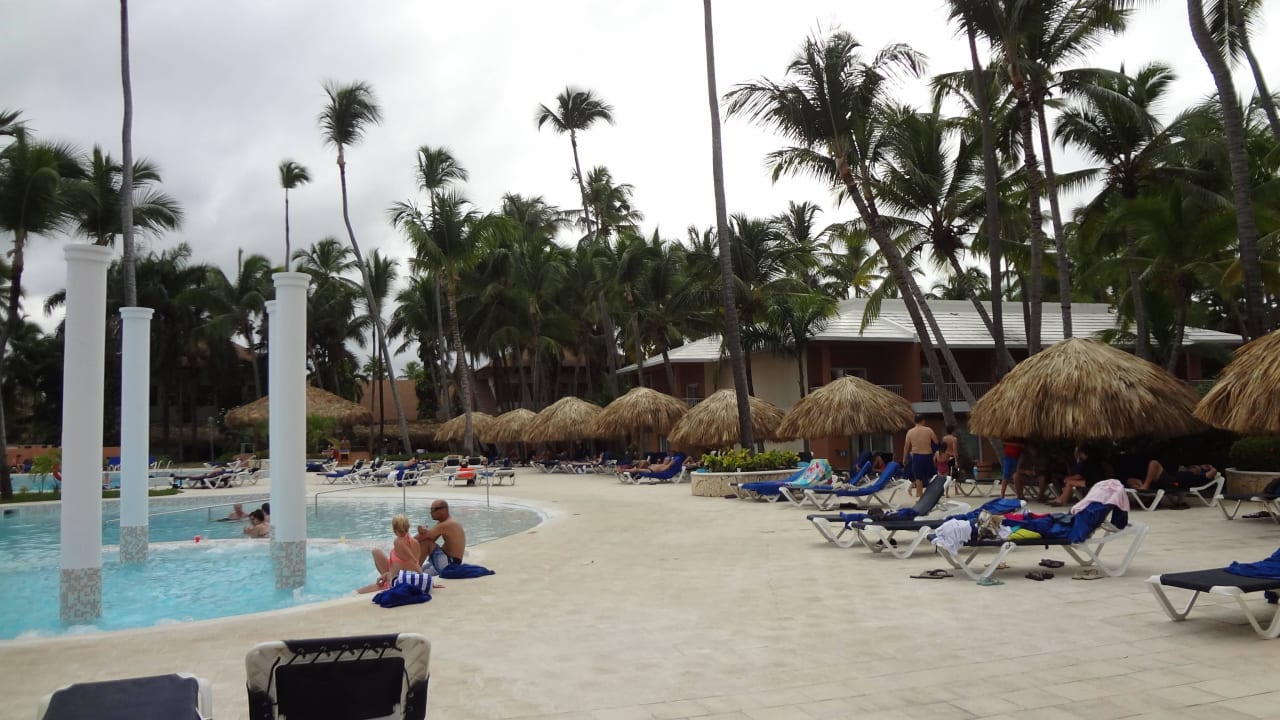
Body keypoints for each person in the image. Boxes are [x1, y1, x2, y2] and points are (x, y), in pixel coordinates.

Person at [358, 513, 425, 594]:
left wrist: (424, 579)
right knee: (376, 551)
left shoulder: (398, 542)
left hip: (395, 583)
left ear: (393, 528)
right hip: (401, 576)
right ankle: (387, 576)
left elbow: (413, 562)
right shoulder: (415, 542)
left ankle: (386, 582)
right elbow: (411, 565)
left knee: (355, 593)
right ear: (408, 526)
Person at [416, 500, 466, 575]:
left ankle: (414, 571)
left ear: (443, 510)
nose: (431, 512)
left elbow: (423, 539)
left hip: (450, 564)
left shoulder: (447, 524)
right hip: (449, 560)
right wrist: (422, 533)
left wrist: (404, 542)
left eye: (433, 510)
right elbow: (430, 538)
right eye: (430, 510)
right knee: (426, 542)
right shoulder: (444, 523)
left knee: (427, 543)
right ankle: (415, 568)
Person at [901, 415, 938, 497]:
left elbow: (906, 446)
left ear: (915, 421)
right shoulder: (929, 430)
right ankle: (931, 495)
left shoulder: (910, 432)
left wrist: (904, 458)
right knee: (930, 476)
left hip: (916, 456)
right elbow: (936, 442)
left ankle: (919, 494)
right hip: (928, 455)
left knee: (918, 478)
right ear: (923, 421)